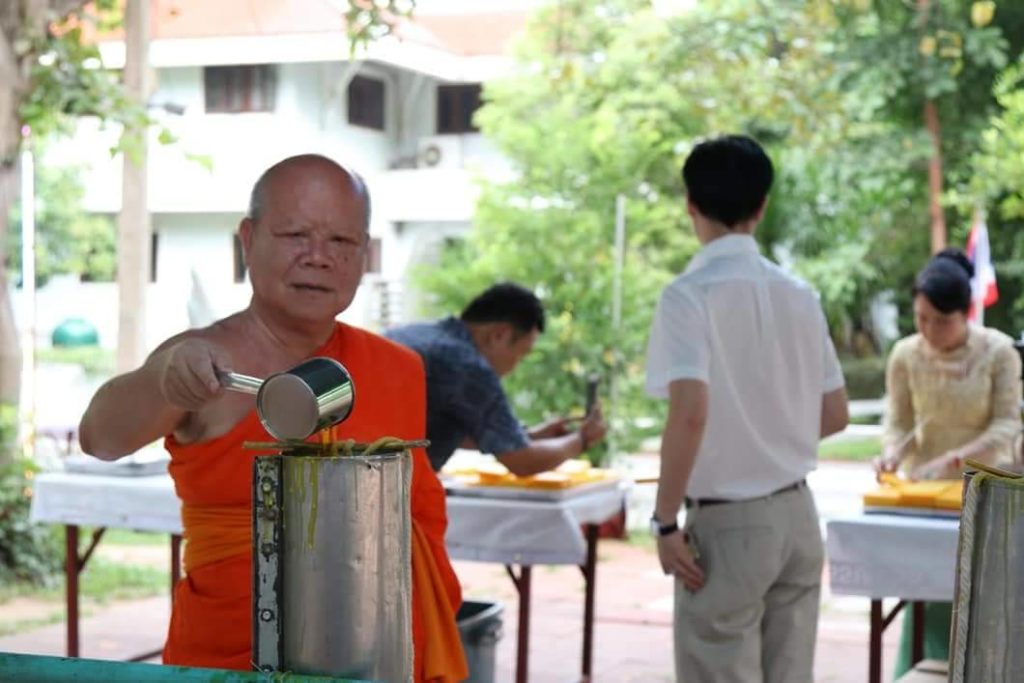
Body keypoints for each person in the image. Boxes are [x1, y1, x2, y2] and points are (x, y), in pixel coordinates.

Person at [78, 154, 466, 682]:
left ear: (364, 255)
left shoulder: (397, 368)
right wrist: (162, 380)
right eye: (295, 235)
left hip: (377, 655)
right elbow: (100, 437)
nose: (318, 258)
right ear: (248, 239)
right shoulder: (204, 362)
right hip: (231, 659)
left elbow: (421, 516)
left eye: (341, 242)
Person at [644, 134, 849, 683]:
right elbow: (835, 414)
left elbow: (689, 412)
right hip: (799, 518)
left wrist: (664, 522)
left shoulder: (688, 296)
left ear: (690, 204)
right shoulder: (800, 295)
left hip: (729, 524)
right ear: (761, 207)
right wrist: (773, 434)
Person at [874, 248, 1022, 677]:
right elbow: (899, 422)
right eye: (921, 319)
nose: (929, 330)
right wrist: (890, 454)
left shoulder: (998, 353)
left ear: (965, 313)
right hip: (924, 495)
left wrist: (961, 456)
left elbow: (1007, 425)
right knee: (923, 589)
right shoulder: (904, 355)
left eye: (941, 320)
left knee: (979, 592)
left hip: (983, 488)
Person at [385, 283, 607, 475]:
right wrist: (582, 439)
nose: (514, 367)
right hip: (388, 490)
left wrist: (529, 436)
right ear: (499, 335)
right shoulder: (469, 366)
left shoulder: (412, 333)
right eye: (520, 354)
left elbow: (429, 429)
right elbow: (523, 462)